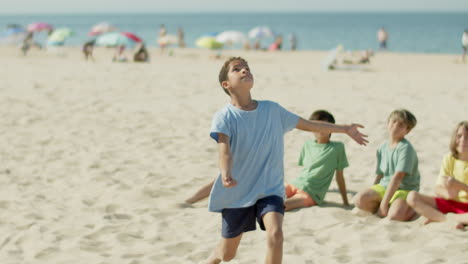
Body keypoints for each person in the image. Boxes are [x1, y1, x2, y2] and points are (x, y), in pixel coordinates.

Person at [204, 57, 368, 264]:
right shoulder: (224, 116)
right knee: (227, 254)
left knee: (276, 235)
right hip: (238, 191)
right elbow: (224, 151)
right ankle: (212, 258)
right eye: (237, 69)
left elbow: (309, 125)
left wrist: (344, 129)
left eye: (246, 67)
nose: (244, 70)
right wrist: (226, 174)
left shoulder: (272, 110)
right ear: (226, 85)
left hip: (269, 189)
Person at [186, 110, 351, 211]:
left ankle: (235, 206)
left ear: (331, 128)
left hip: (312, 194)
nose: (320, 130)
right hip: (294, 184)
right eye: (317, 126)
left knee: (278, 207)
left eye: (325, 126)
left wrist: (345, 202)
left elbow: (339, 176)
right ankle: (194, 200)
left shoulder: (337, 148)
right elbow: (306, 171)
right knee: (255, 192)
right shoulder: (308, 145)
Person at [353, 109, 419, 221]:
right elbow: (380, 175)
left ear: (407, 130)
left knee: (395, 215)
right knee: (359, 200)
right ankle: (387, 206)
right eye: (393, 122)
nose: (395, 127)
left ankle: (411, 207)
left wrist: (384, 204)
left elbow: (398, 177)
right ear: (388, 123)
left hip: (404, 189)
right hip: (385, 186)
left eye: (401, 125)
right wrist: (372, 190)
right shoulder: (382, 148)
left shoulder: (405, 149)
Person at [407, 121, 468, 229]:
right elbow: (438, 188)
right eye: (459, 136)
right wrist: (448, 195)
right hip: (449, 203)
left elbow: (456, 186)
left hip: (466, 208)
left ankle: (441, 217)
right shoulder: (449, 158)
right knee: (412, 197)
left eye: (467, 137)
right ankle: (446, 220)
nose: (463, 140)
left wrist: (459, 186)